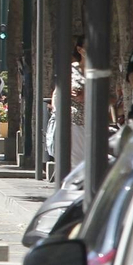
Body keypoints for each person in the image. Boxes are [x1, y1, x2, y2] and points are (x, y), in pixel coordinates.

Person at [47, 35, 86, 170]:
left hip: (96, 125)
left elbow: (113, 97)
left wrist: (90, 95)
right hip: (73, 123)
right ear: (80, 50)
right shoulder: (70, 70)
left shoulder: (102, 71)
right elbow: (58, 93)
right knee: (76, 166)